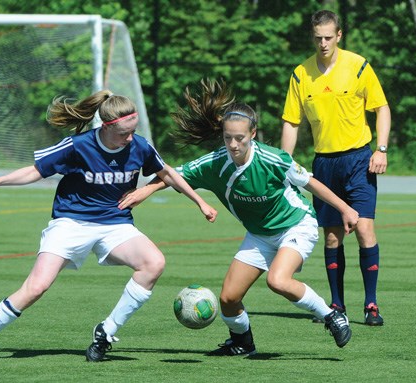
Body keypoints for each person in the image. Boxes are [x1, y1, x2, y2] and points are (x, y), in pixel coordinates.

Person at [0, 90, 218, 362]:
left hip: (115, 224)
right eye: (123, 134)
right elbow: (35, 170)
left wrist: (200, 202)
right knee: (36, 286)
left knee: (154, 263)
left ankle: (106, 332)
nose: (129, 138)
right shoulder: (77, 146)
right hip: (70, 223)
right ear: (106, 126)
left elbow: (168, 173)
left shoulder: (140, 146)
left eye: (132, 132)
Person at [120, 79, 358, 355]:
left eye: (240, 138)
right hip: (259, 234)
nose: (233, 145)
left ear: (253, 134)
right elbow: (175, 174)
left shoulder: (273, 159)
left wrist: (345, 208)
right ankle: (242, 342)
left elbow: (311, 183)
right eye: (228, 137)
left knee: (278, 281)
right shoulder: (215, 163)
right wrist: (145, 191)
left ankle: (331, 316)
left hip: (295, 225)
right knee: (229, 298)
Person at [281, 10, 391, 326]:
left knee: (365, 229)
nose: (324, 43)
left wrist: (381, 149)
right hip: (324, 164)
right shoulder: (301, 73)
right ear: (312, 37)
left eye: (329, 37)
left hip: (359, 159)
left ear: (339, 35)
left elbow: (381, 108)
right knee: (332, 238)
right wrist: (284, 163)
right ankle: (336, 306)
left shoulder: (358, 66)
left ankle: (371, 305)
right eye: (318, 38)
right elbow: (291, 121)